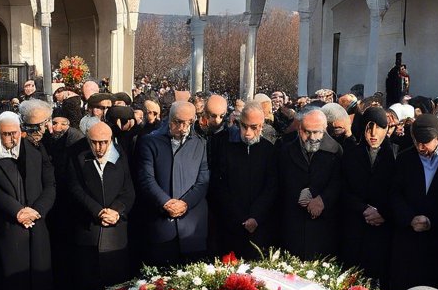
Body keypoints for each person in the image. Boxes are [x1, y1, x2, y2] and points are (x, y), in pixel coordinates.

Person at [0, 111, 56, 290]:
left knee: (40, 284)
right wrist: (18, 211)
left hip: (37, 224)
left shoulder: (35, 152)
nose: (11, 139)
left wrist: (36, 210)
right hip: (10, 228)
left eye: (14, 133)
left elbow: (50, 184)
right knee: (15, 287)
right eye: (6, 135)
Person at [388, 114, 438, 290]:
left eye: (426, 142)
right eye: (417, 142)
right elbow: (394, 194)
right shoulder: (405, 158)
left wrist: (432, 221)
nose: (421, 147)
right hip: (408, 239)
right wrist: (409, 218)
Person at [134, 100, 211, 266]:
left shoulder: (201, 143)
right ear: (169, 119)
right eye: (178, 122)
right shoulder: (150, 141)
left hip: (191, 225)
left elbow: (203, 180)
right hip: (160, 223)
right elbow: (146, 178)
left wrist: (185, 203)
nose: (183, 128)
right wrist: (165, 202)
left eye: (188, 123)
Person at [67, 120, 136, 290]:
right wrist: (97, 211)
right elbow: (75, 188)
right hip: (89, 230)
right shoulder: (76, 155)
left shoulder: (120, 154)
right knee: (89, 289)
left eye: (104, 142)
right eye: (95, 142)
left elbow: (128, 190)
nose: (100, 147)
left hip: (115, 229)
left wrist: (116, 211)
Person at [209, 103, 277, 259]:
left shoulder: (269, 149)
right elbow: (219, 185)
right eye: (244, 126)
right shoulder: (224, 145)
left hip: (259, 226)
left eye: (253, 127)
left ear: (261, 126)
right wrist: (239, 217)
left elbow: (271, 187)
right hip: (230, 224)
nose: (247, 133)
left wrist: (256, 216)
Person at [338, 105, 396, 286]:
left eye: (379, 127)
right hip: (355, 225)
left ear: (387, 129)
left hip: (383, 227)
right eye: (368, 127)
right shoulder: (351, 154)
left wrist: (383, 212)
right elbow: (343, 188)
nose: (373, 133)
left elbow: (398, 191)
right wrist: (364, 209)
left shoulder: (396, 154)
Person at [274, 107, 342, 260]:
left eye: (317, 132)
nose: (312, 137)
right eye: (307, 132)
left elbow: (339, 182)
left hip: (323, 230)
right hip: (292, 228)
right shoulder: (285, 151)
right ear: (299, 129)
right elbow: (279, 185)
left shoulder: (336, 151)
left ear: (324, 130)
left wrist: (322, 199)